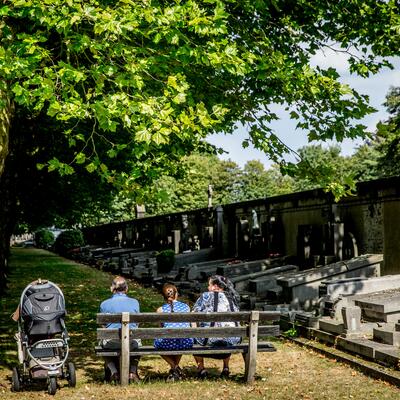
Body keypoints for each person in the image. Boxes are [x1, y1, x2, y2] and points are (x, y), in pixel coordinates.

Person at [192, 275, 241, 379]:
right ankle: (226, 368)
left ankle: (201, 369)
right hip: (232, 340)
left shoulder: (205, 296)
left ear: (214, 286)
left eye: (209, 285)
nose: (208, 288)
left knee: (193, 333)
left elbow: (193, 315)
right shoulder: (232, 297)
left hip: (208, 340)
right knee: (227, 329)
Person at [99, 276, 141, 384]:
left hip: (111, 342)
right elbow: (136, 323)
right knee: (138, 342)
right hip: (131, 342)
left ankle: (114, 372)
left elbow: (103, 325)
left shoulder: (104, 304)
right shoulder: (135, 302)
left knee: (101, 342)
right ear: (126, 289)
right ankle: (132, 372)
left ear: (112, 289)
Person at [154, 283, 193, 381]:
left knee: (157, 344)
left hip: (168, 342)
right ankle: (176, 368)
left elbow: (160, 329)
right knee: (179, 338)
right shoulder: (186, 307)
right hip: (185, 342)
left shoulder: (160, 310)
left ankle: (174, 367)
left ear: (164, 297)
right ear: (176, 294)